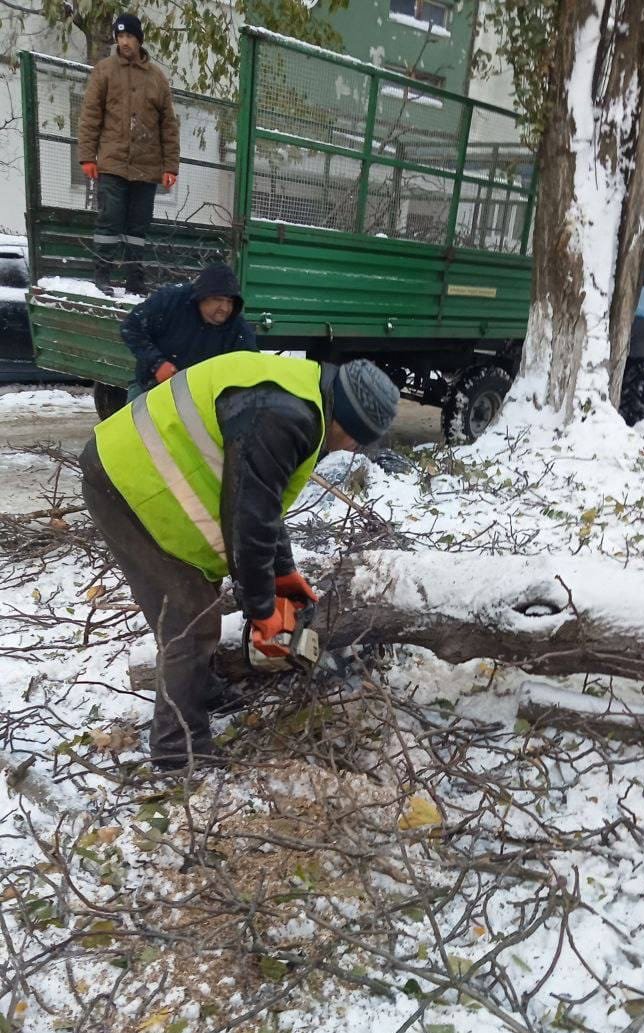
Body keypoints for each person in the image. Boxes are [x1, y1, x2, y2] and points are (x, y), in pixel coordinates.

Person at [79, 352, 400, 771]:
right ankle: (179, 748)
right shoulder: (284, 417)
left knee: (200, 590)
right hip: (125, 480)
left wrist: (283, 574)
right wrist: (262, 610)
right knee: (189, 616)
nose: (353, 448)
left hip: (148, 477)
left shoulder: (302, 396)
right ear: (348, 421)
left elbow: (262, 503)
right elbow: (247, 521)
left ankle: (201, 688)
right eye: (357, 438)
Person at [78, 12, 180, 296]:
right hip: (112, 164)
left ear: (139, 39)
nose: (124, 42)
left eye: (129, 37)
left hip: (147, 168)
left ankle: (135, 279)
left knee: (138, 227)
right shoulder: (104, 71)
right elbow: (90, 116)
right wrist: (87, 157)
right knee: (109, 219)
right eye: (120, 37)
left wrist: (170, 166)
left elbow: (168, 126)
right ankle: (102, 275)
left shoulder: (157, 78)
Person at [120, 263, 258, 400]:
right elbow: (131, 326)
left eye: (230, 302)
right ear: (203, 296)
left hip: (202, 398)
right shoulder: (171, 301)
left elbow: (252, 365)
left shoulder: (237, 328)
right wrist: (157, 363)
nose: (225, 308)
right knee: (132, 420)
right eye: (218, 300)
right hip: (151, 387)